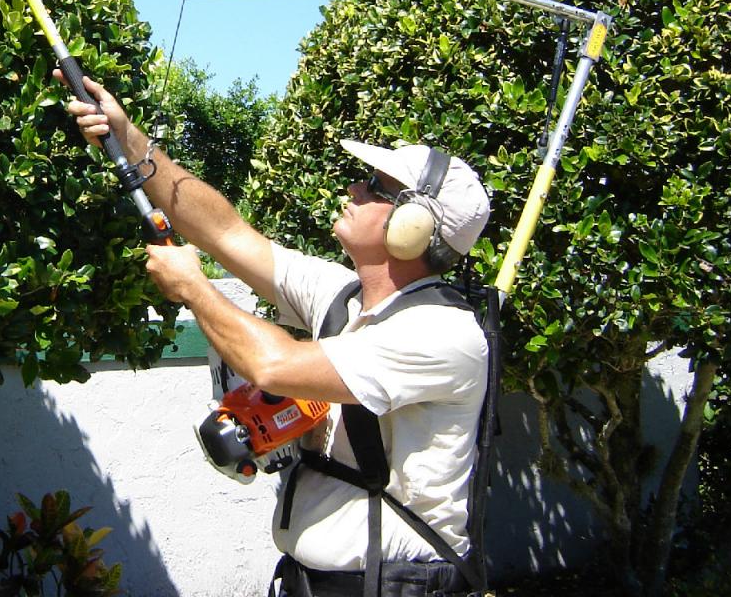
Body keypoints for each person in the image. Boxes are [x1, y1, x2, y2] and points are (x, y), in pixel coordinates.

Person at [58, 73, 492, 597]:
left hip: (393, 586)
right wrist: (130, 141)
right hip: (311, 579)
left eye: (376, 186)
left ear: (415, 227)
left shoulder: (439, 333)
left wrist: (194, 289)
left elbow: (275, 367)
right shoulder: (344, 297)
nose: (353, 189)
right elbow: (226, 232)